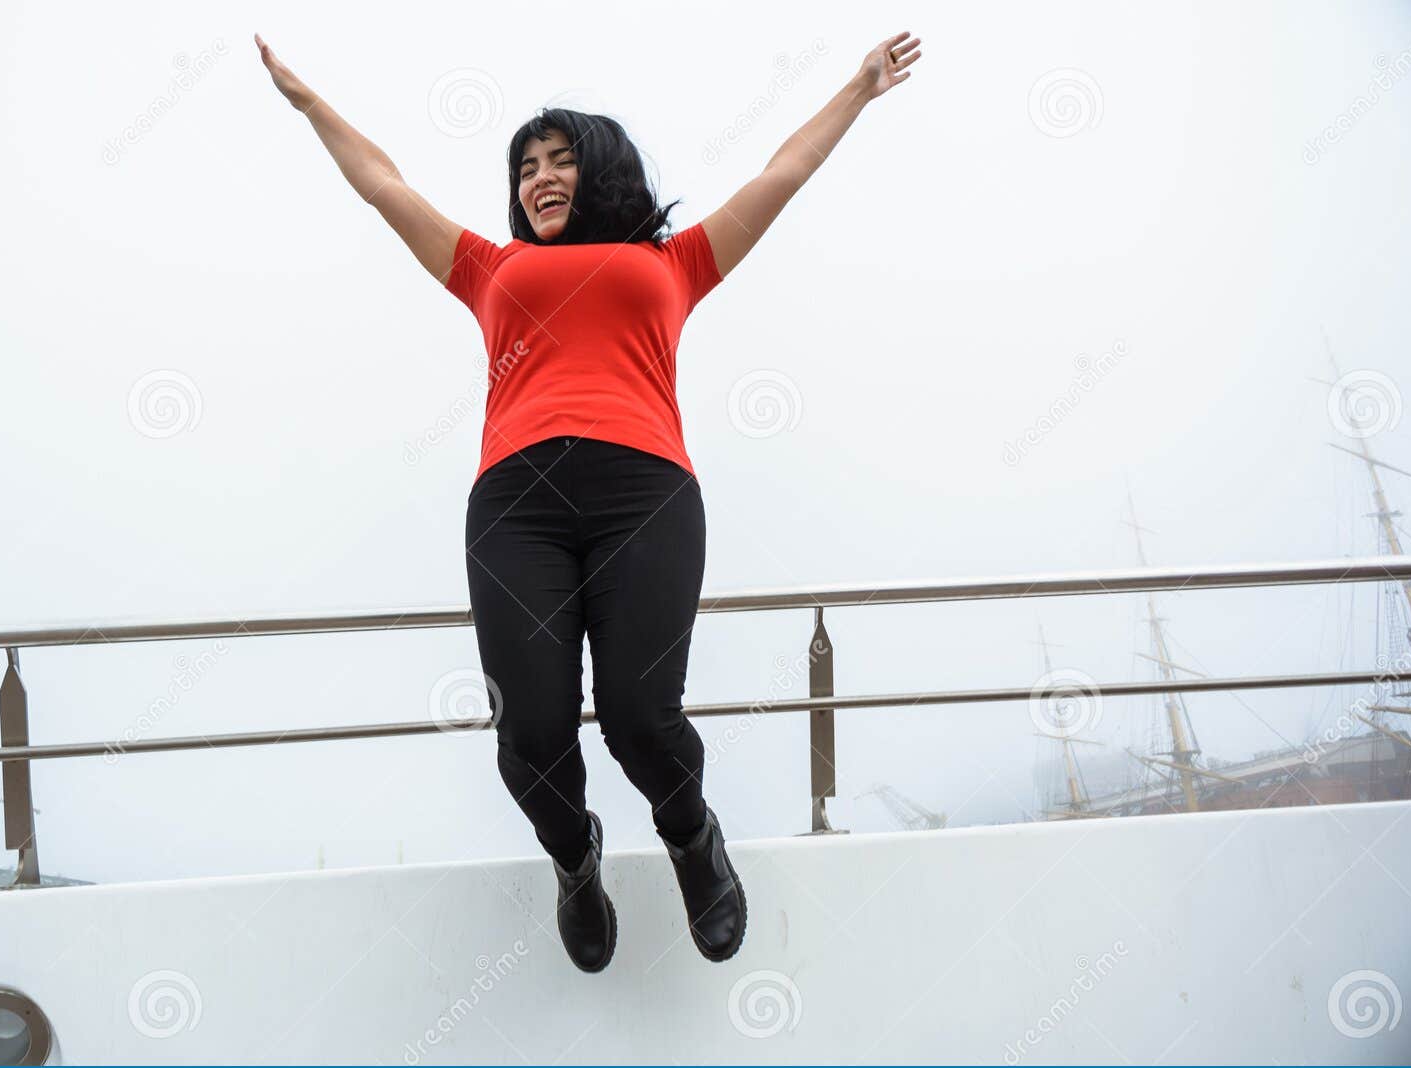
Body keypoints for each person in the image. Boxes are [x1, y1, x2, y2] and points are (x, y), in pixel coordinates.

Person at [255, 30, 923, 971]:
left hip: (644, 494)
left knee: (639, 719)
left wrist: (857, 90)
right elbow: (385, 185)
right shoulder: (490, 268)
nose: (539, 178)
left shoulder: (676, 260)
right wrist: (310, 104)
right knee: (528, 736)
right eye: (526, 167)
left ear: (602, 171)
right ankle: (575, 861)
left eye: (561, 159)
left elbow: (785, 171)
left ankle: (694, 840)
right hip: (516, 507)